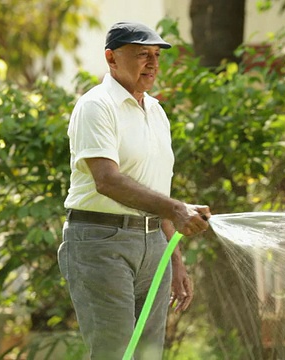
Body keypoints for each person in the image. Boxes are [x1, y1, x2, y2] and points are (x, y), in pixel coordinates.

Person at [58, 21, 210, 360]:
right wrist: (175, 209)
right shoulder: (96, 106)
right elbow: (106, 180)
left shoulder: (156, 111)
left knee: (147, 354)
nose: (153, 64)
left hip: (153, 242)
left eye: (156, 55)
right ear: (111, 58)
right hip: (100, 241)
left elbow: (158, 191)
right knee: (114, 352)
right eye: (143, 54)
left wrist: (175, 261)